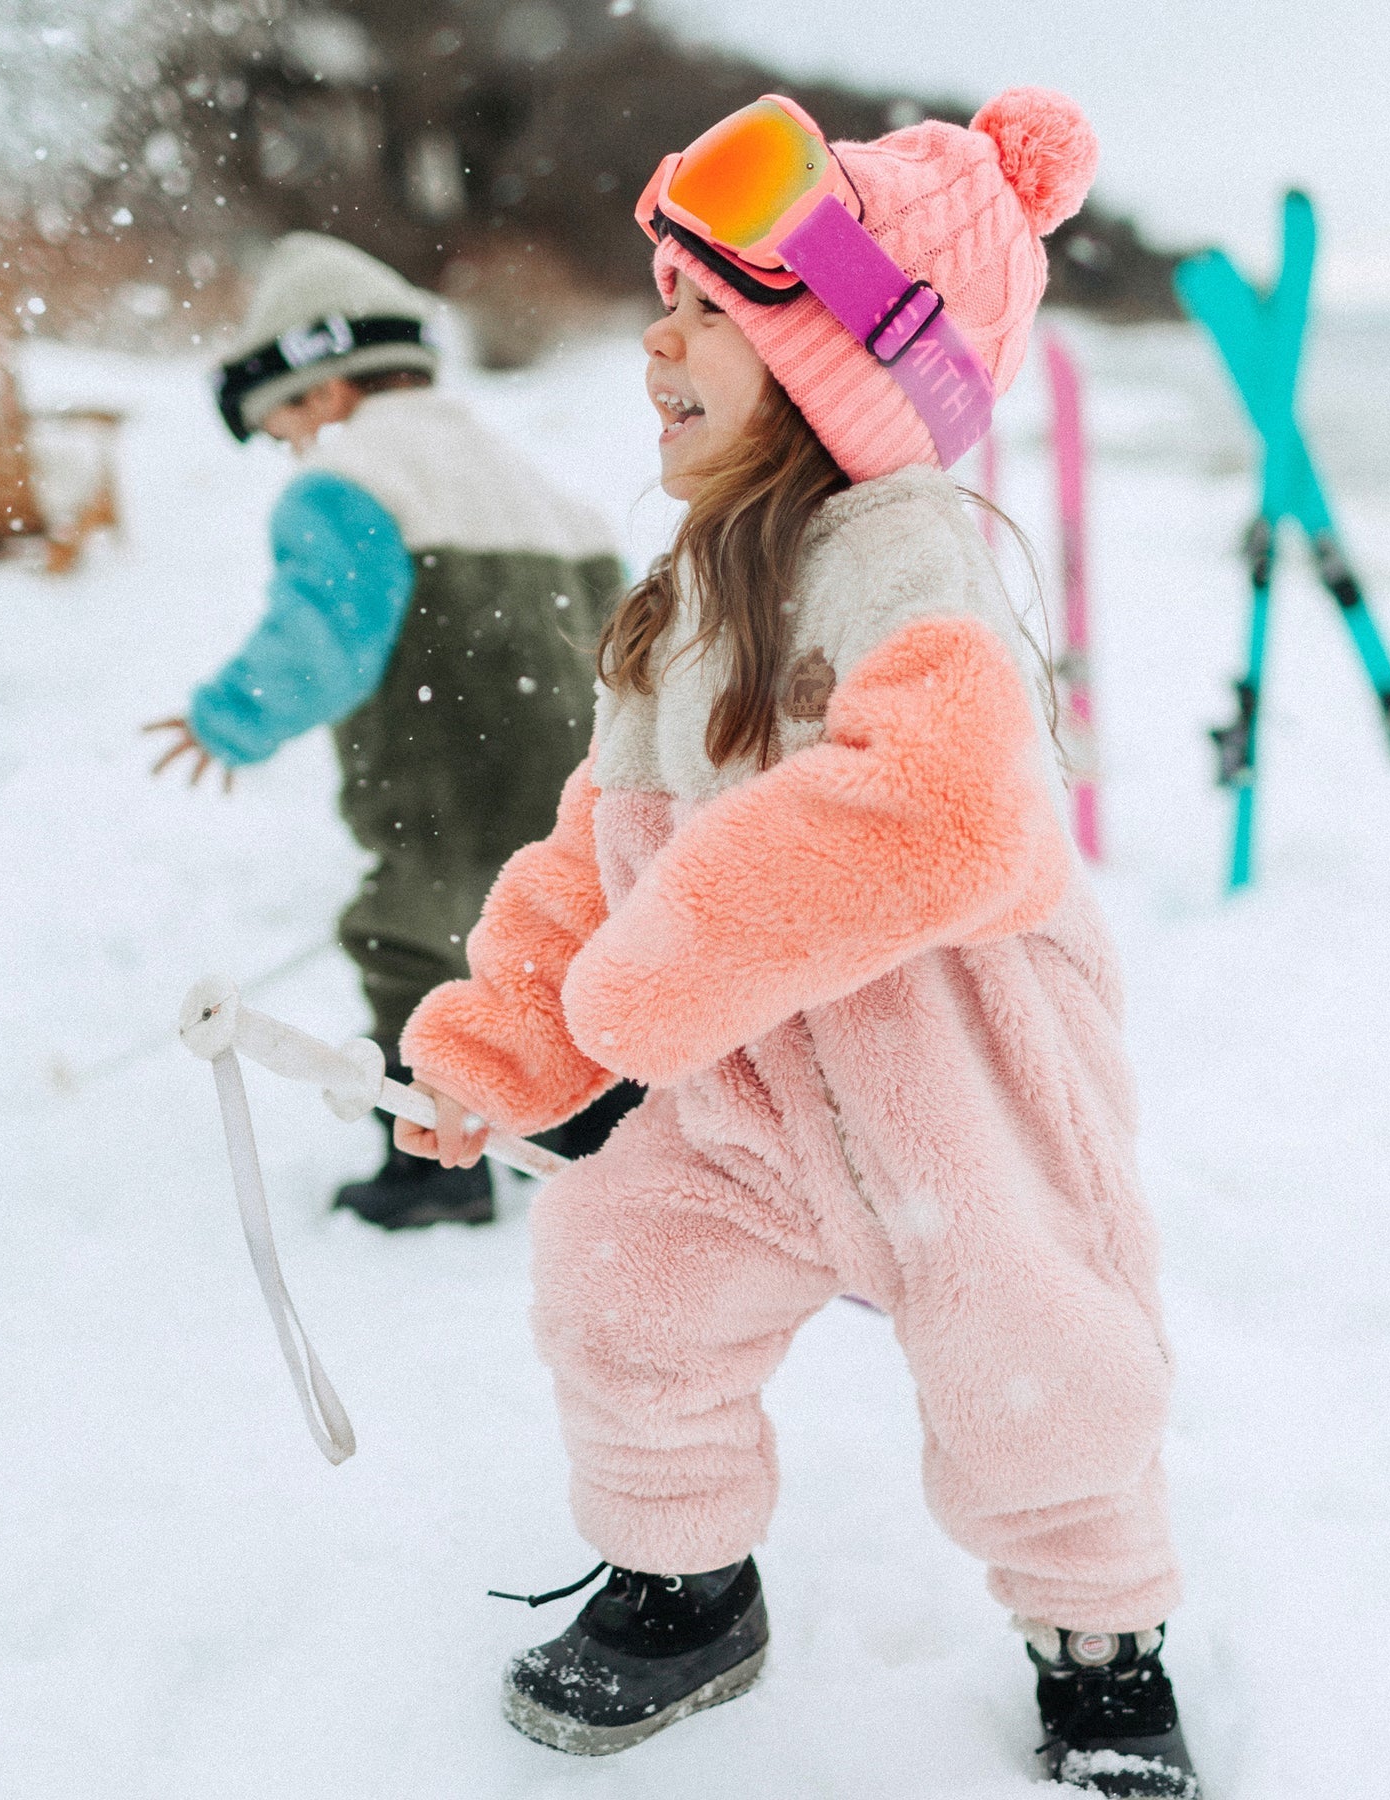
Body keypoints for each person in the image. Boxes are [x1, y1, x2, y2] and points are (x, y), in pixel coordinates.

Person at [395, 93, 1198, 1796]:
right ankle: (685, 1584)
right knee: (624, 1283)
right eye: (665, 302)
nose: (656, 342)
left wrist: (651, 980)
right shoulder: (683, 598)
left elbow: (946, 806)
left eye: (709, 312)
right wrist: (508, 1039)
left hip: (959, 1079)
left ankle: (1100, 1641)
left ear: (848, 362)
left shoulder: (906, 557)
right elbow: (598, 842)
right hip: (748, 1087)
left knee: (1038, 1372)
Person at [148, 233, 640, 1230]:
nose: (295, 447)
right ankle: (600, 1134)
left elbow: (326, 633)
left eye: (287, 424)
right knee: (567, 952)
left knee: (413, 943)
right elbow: (628, 647)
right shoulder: (544, 491)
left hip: (448, 788)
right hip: (578, 792)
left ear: (329, 388)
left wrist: (232, 717)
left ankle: (432, 1170)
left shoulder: (354, 478)